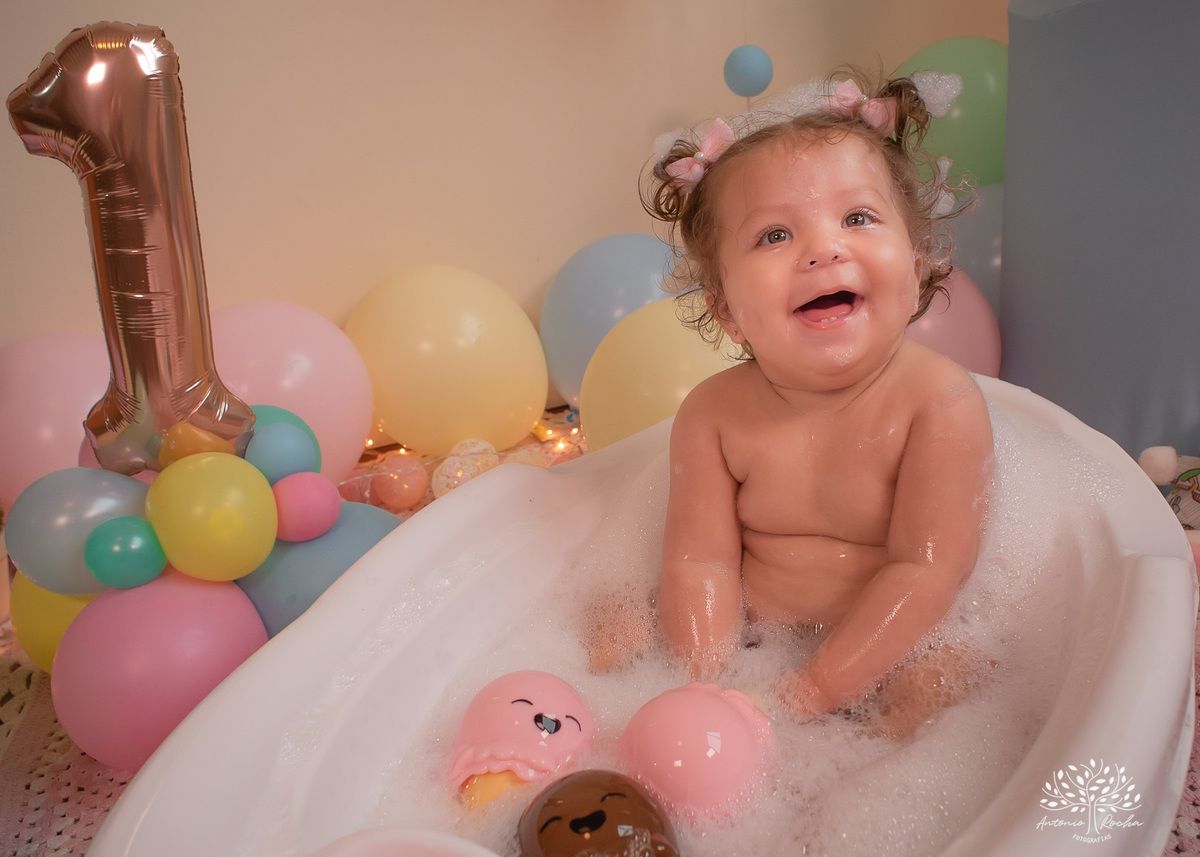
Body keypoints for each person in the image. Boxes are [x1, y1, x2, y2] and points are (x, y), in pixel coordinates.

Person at [635, 72, 995, 730]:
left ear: (916, 264)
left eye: (857, 218)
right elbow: (699, 561)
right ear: (726, 310)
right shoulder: (714, 416)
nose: (824, 249)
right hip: (757, 647)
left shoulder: (938, 403)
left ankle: (866, 790)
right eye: (774, 235)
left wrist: (814, 689)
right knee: (615, 626)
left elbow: (926, 571)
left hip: (894, 647)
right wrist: (706, 684)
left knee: (950, 677)